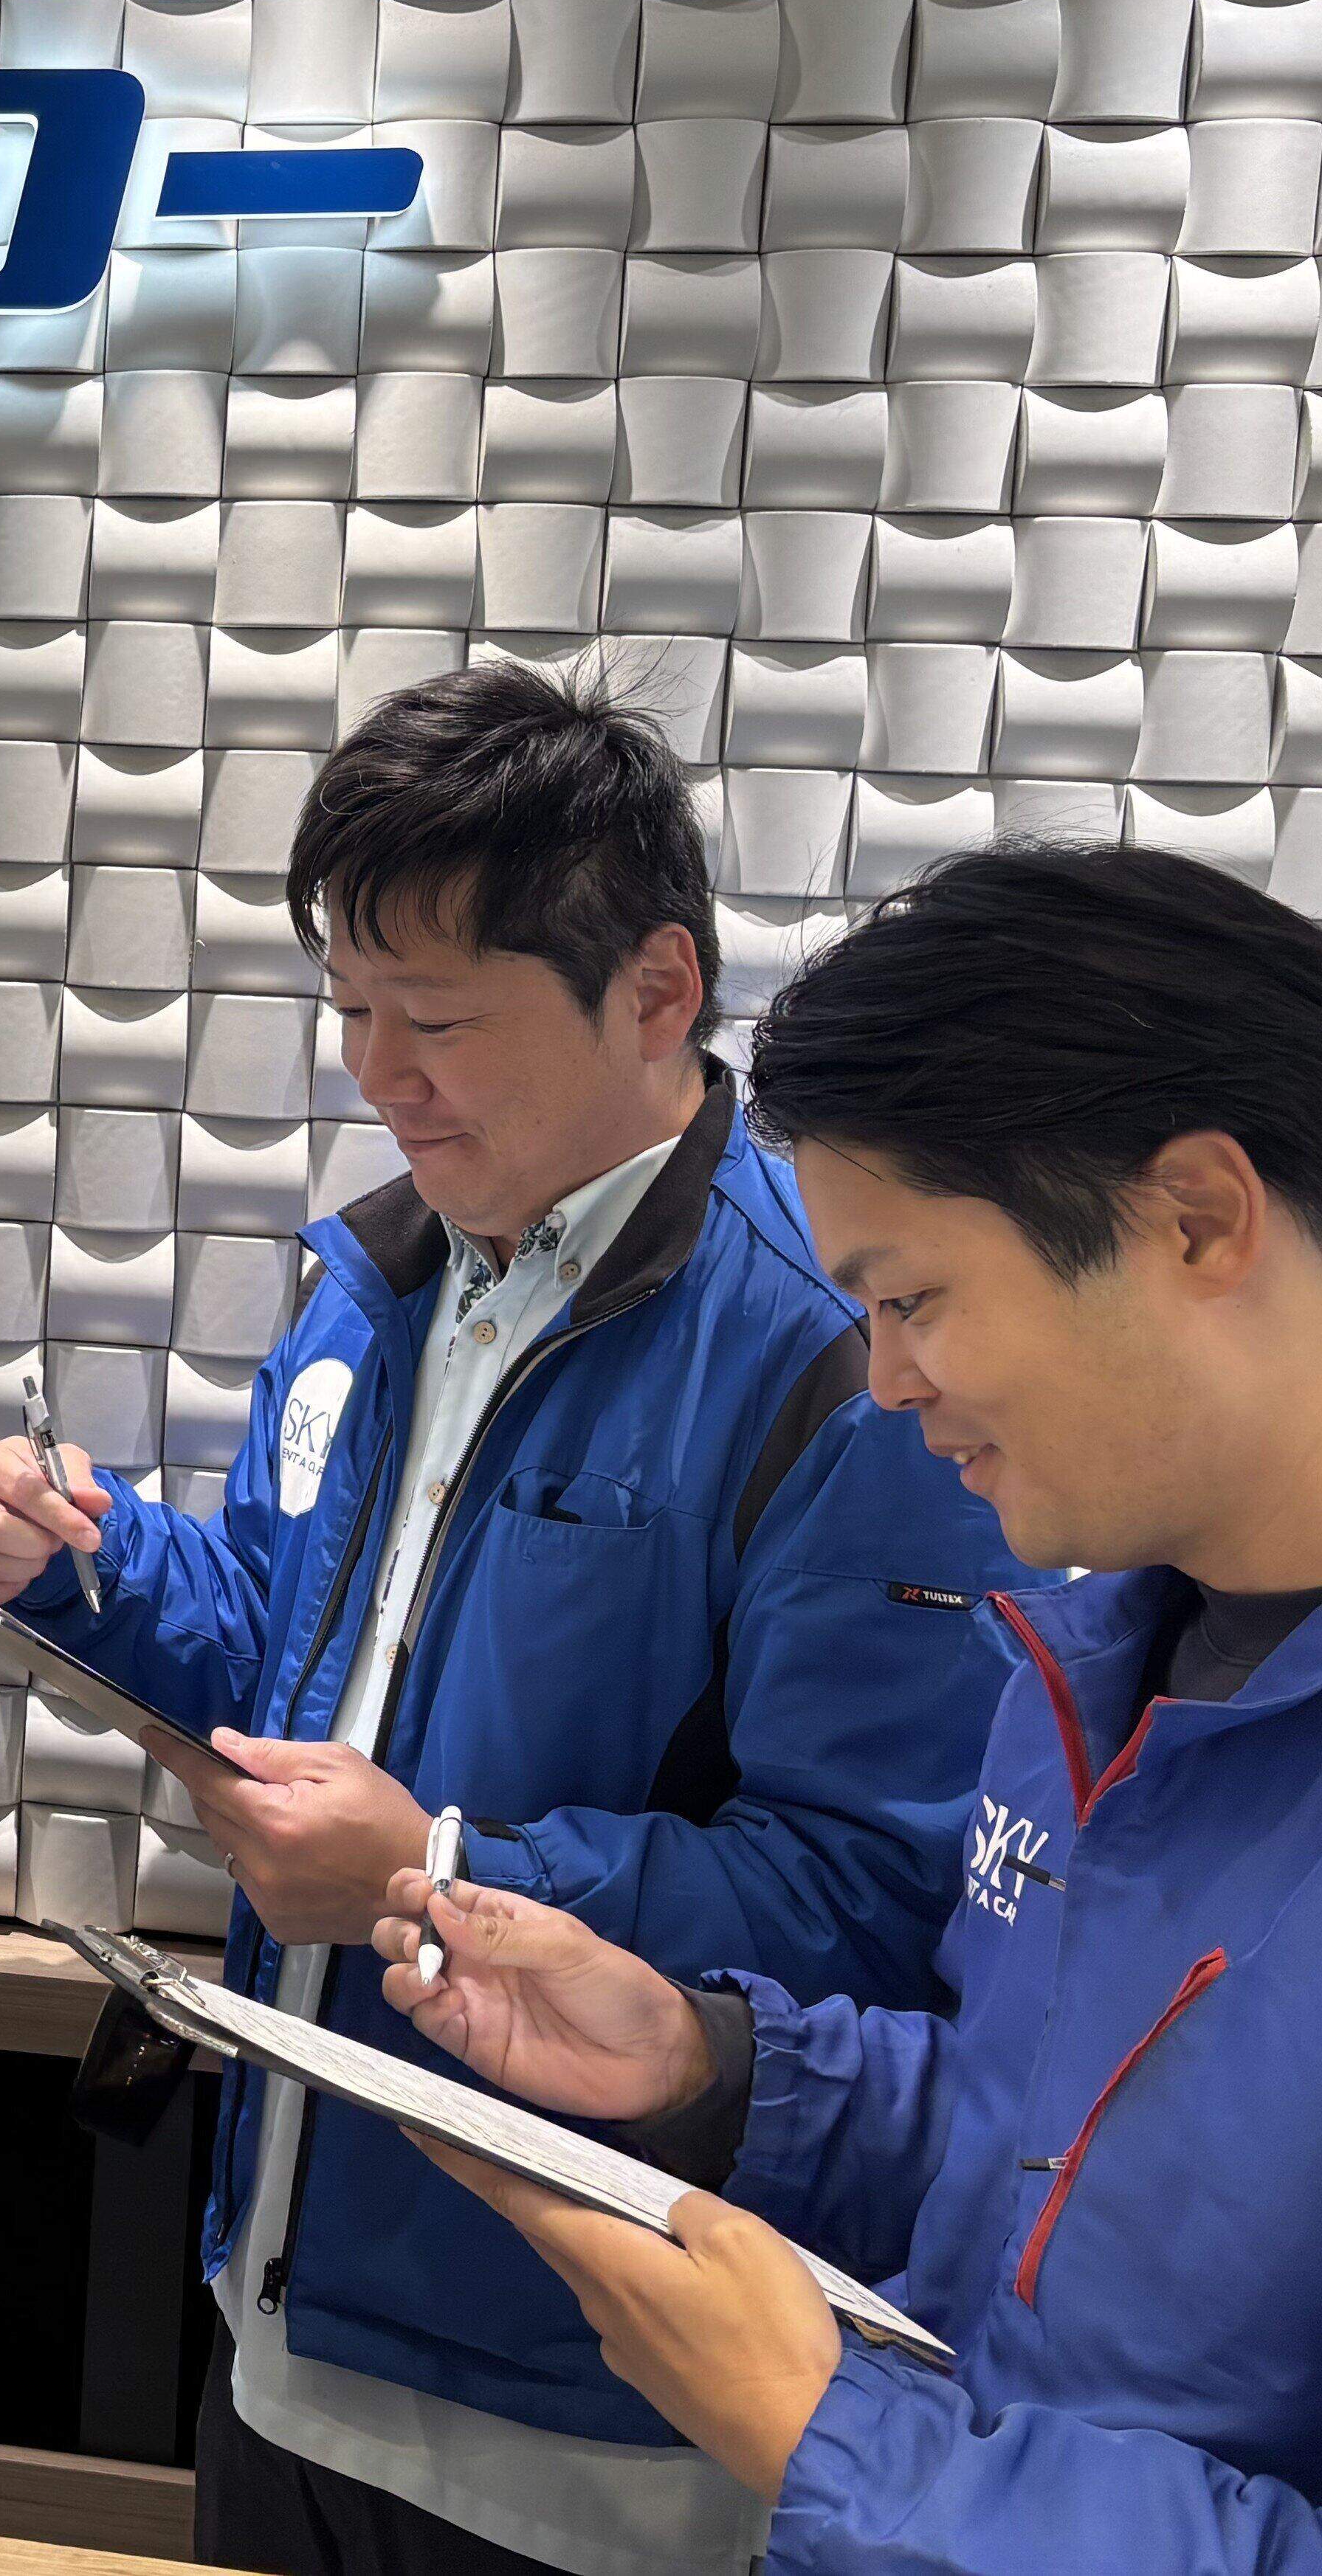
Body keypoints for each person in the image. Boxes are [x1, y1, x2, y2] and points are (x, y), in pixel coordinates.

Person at [0, 662, 1035, 2576]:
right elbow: (297, 1659)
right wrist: (89, 1568)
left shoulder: (843, 1356)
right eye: (351, 1006)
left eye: (435, 1017)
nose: (378, 1070)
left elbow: (872, 1898)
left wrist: (437, 1871)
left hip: (593, 2408)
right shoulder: (378, 1278)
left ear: (660, 991)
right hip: (282, 2314)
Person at [373, 840, 1322, 2576]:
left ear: (1195, 1218)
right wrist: (715, 2070)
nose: (883, 1381)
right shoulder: (1092, 1668)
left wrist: (847, 2450)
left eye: (914, 1299)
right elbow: (1041, 2153)